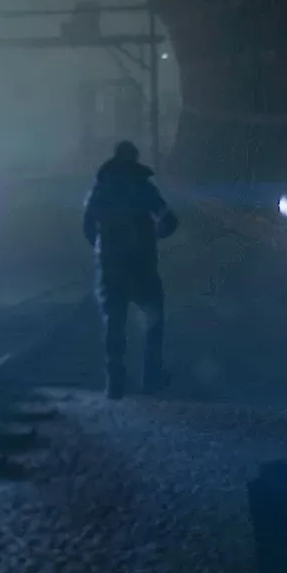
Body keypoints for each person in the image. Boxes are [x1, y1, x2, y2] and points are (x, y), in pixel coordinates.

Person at [82, 139, 177, 398]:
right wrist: (154, 237)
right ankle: (151, 376)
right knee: (153, 317)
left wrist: (101, 247)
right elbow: (169, 221)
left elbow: (88, 224)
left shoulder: (100, 188)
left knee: (114, 322)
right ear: (135, 159)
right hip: (141, 263)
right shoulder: (143, 188)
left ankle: (115, 382)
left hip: (110, 265)